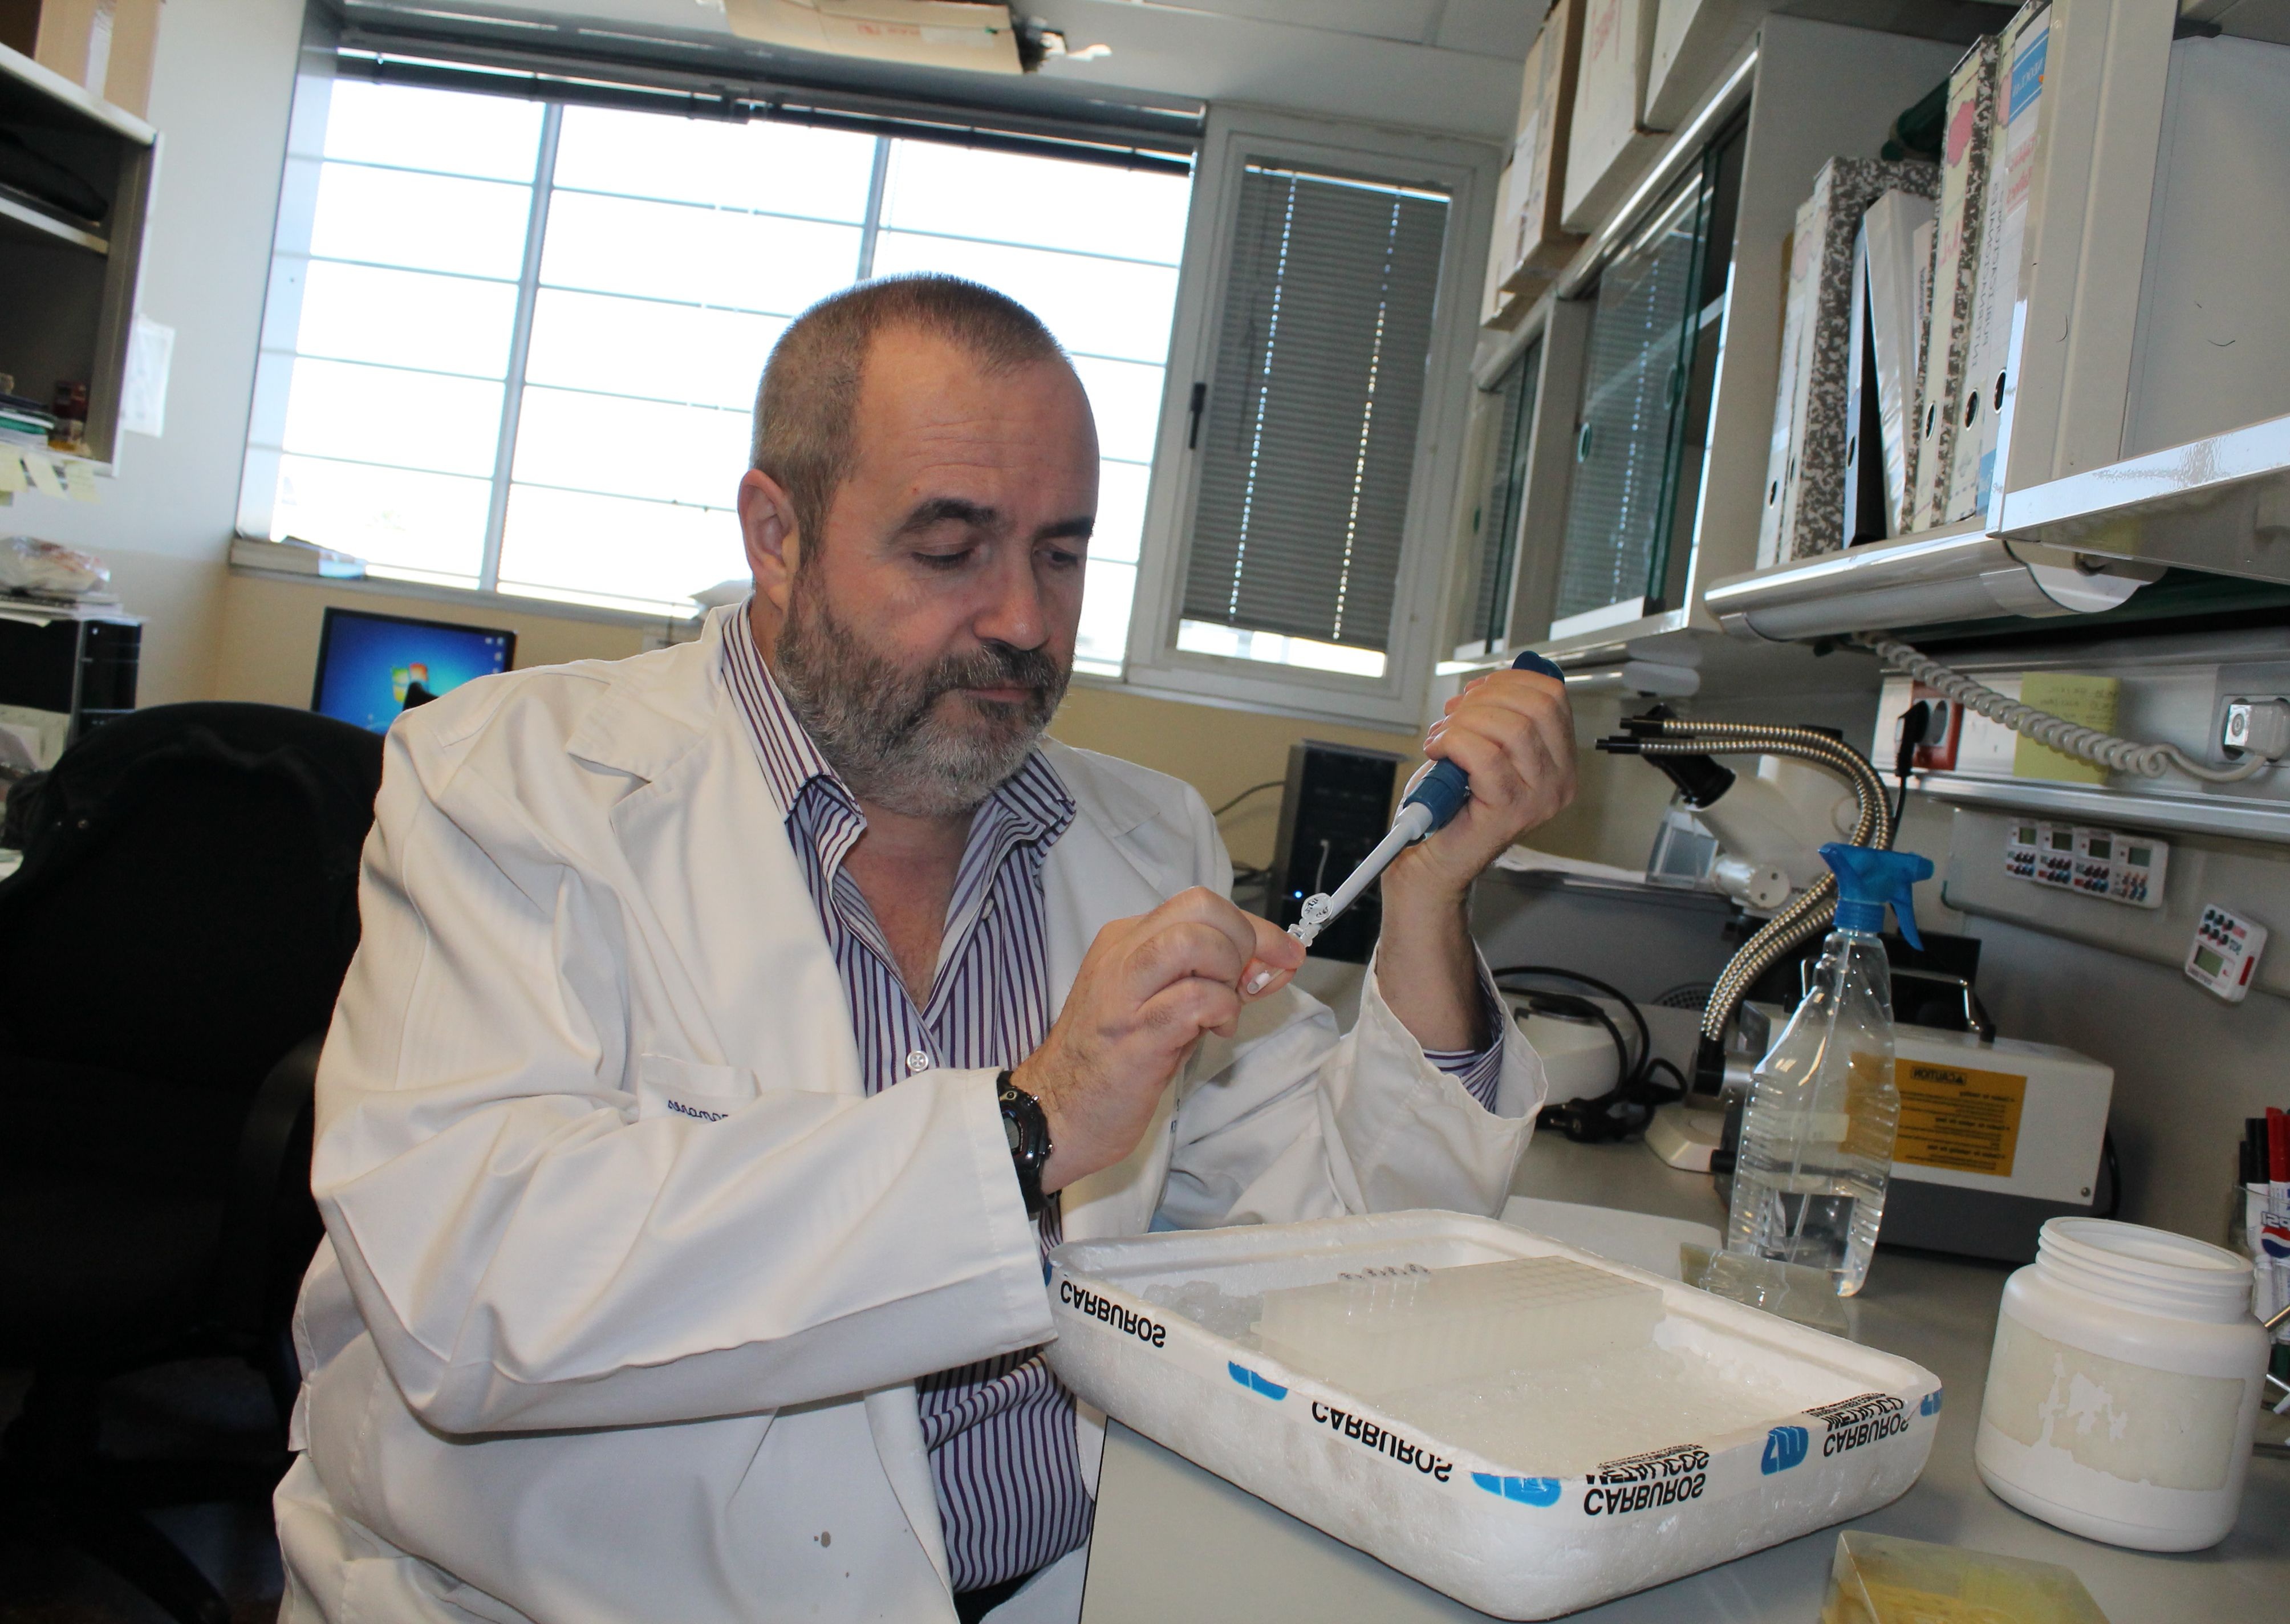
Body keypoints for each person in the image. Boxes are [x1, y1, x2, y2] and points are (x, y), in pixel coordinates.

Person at [273, 275, 1576, 1624]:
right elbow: (470, 1285)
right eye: (951, 549)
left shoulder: (1147, 839)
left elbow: (1351, 1258)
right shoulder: (511, 784)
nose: (1023, 618)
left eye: (1061, 554)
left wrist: (1427, 900)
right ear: (778, 536)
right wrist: (1028, 1123)